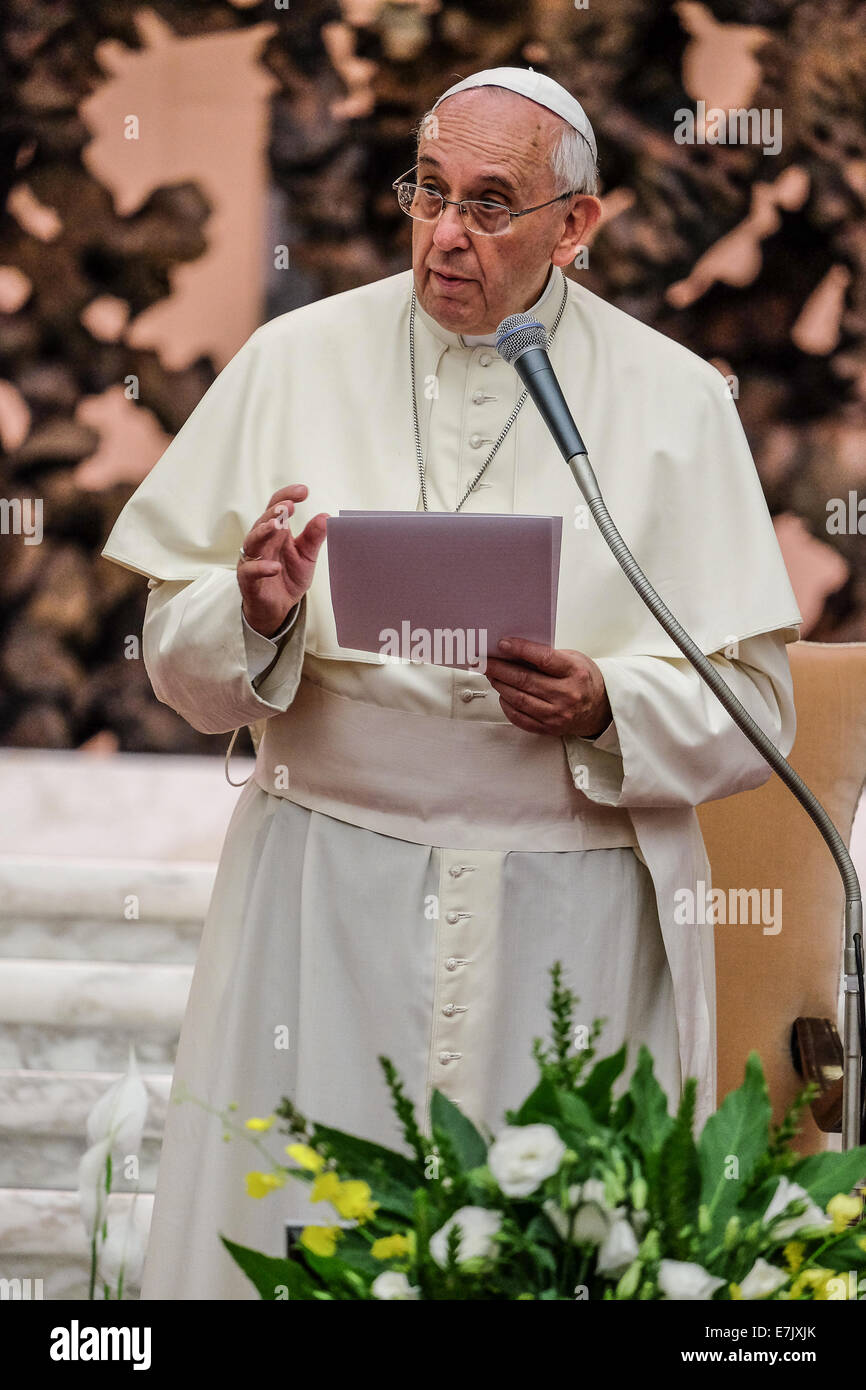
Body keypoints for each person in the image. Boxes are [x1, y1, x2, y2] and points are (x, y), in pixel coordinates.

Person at [102, 67, 802, 1300]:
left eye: (490, 203)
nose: (444, 235)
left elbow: (756, 708)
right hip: (323, 889)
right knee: (296, 1224)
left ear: (574, 225)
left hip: (568, 913)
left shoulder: (676, 402)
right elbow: (175, 653)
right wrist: (254, 611)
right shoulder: (292, 357)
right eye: (427, 192)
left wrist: (604, 701)